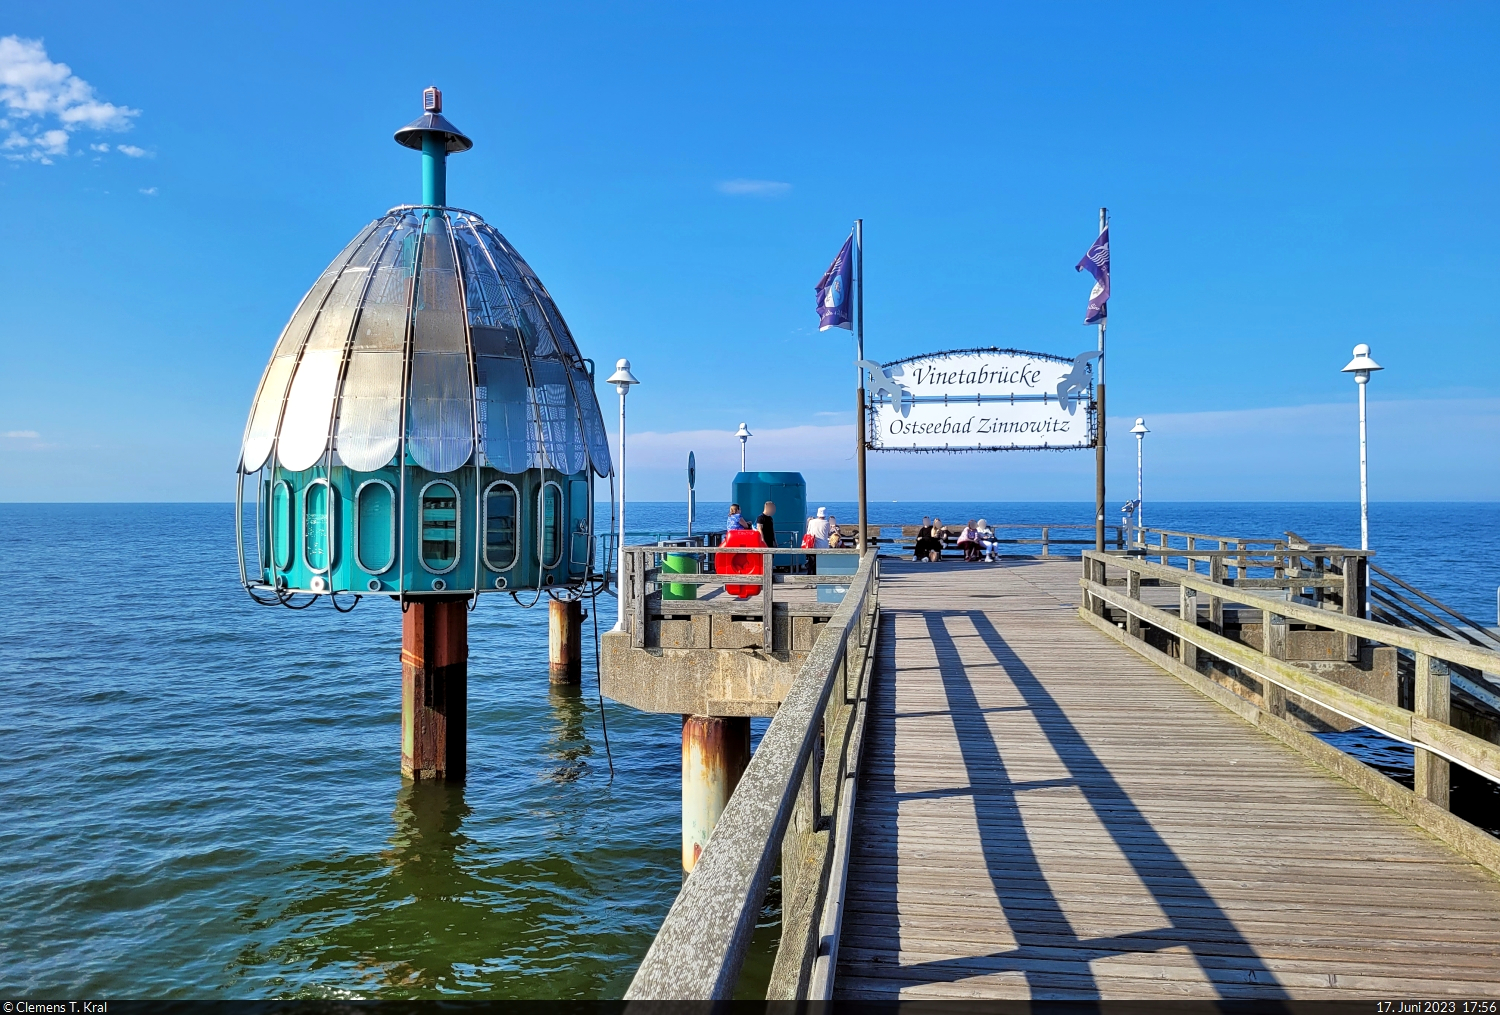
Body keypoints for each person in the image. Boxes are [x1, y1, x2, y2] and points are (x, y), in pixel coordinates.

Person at [805, 506, 831, 574]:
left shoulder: (811, 522)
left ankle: (810, 576)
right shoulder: (827, 523)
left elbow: (808, 532)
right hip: (823, 545)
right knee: (822, 562)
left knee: (811, 562)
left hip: (812, 544)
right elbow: (828, 533)